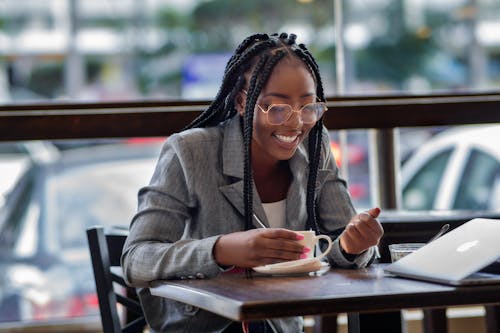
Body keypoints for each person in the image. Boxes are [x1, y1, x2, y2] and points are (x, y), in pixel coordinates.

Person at [121, 32, 384, 333]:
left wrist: (352, 246)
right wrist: (219, 250)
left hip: (280, 325)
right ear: (243, 102)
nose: (296, 123)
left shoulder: (315, 147)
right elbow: (135, 260)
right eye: (278, 108)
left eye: (308, 107)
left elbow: (339, 245)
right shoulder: (190, 151)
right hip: (203, 327)